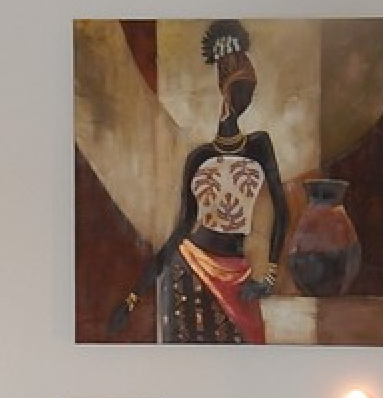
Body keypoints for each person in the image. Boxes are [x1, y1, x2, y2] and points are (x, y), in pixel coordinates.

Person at [108, 20, 289, 343]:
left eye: (248, 89)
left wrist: (268, 276)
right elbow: (182, 228)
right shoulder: (199, 158)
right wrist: (133, 297)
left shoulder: (259, 145)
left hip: (240, 273)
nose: (244, 96)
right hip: (190, 269)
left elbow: (282, 212)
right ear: (224, 90)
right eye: (237, 88)